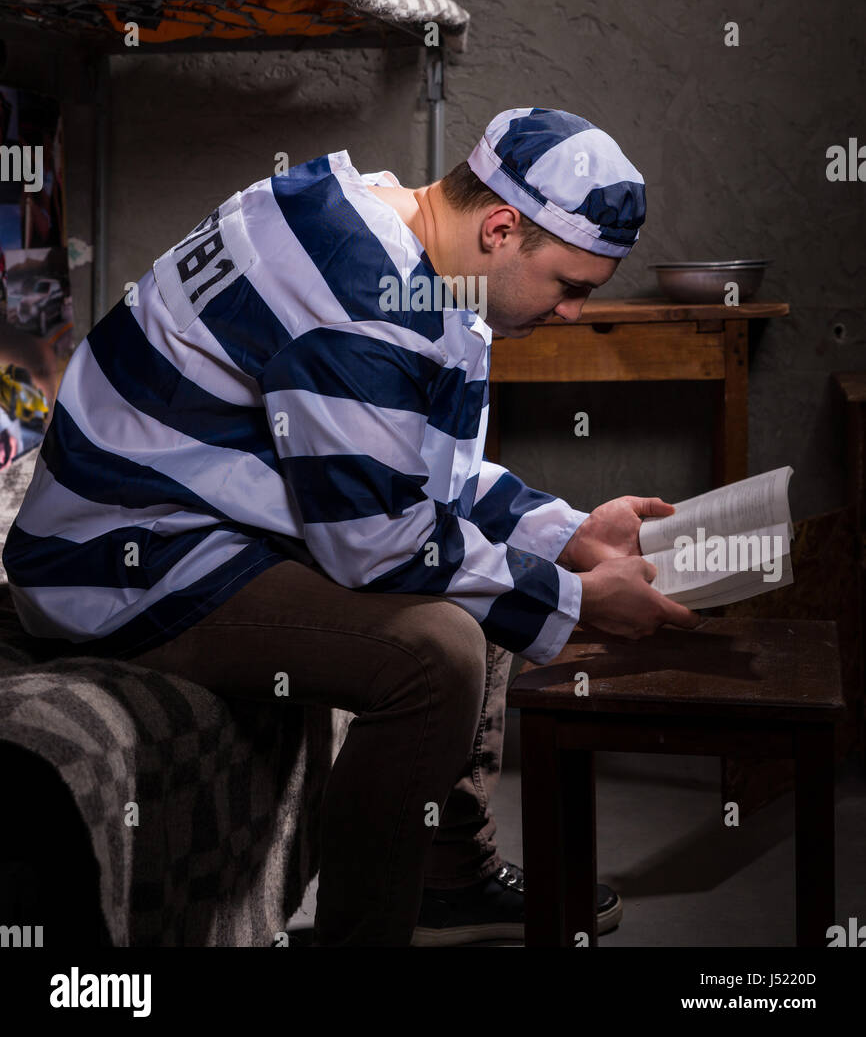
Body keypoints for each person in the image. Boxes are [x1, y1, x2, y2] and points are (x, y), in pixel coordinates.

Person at [2, 106, 700, 947]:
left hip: (183, 514)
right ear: (502, 227)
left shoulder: (377, 223)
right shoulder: (365, 301)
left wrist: (566, 532)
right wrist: (578, 600)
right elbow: (377, 541)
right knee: (436, 655)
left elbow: (408, 466)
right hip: (118, 557)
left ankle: (445, 873)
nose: (573, 315)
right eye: (570, 286)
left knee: (490, 572)